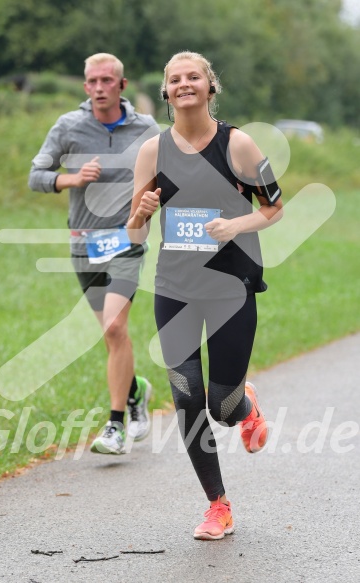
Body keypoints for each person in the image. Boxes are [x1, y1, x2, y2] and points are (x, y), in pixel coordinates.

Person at [127, 51, 283, 540]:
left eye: (193, 77)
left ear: (209, 87)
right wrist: (142, 212)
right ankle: (218, 506)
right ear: (167, 92)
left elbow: (274, 207)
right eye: (175, 79)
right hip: (174, 288)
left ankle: (244, 405)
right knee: (186, 396)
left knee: (220, 403)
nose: (184, 84)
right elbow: (133, 235)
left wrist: (236, 224)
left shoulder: (236, 144)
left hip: (229, 288)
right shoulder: (152, 151)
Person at [29, 53, 159, 455]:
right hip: (85, 244)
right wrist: (72, 178)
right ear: (85, 87)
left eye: (107, 80)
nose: (99, 87)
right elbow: (36, 176)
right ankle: (137, 391)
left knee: (116, 329)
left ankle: (115, 426)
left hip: (127, 241)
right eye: (92, 81)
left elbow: (171, 172)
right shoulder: (68, 126)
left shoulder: (147, 128)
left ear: (121, 85)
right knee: (110, 335)